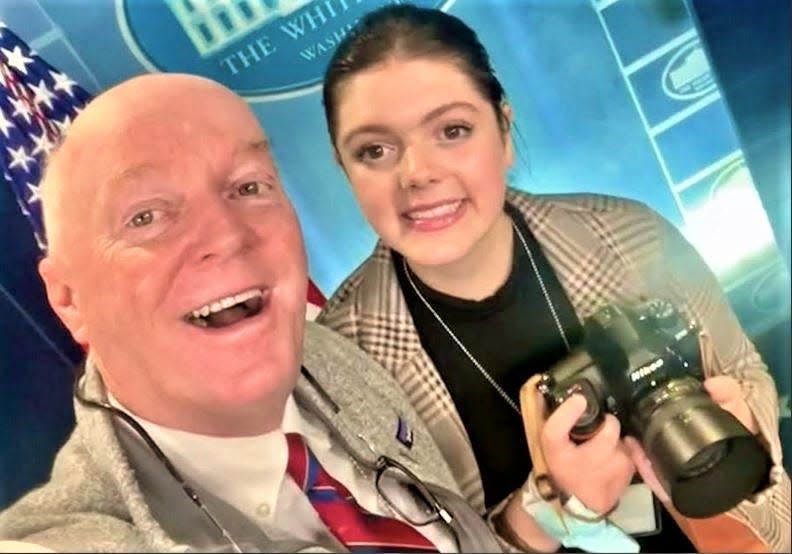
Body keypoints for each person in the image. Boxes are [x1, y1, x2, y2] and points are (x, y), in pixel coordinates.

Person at [316, 4, 791, 553]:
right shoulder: (342, 370)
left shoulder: (631, 238)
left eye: (453, 130)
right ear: (344, 169)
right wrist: (546, 511)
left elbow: (744, 373)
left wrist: (740, 430)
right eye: (374, 150)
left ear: (504, 129)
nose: (418, 173)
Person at [0, 73, 505, 553]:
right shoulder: (69, 536)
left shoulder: (332, 353)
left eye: (247, 187)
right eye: (146, 217)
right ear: (70, 299)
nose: (226, 233)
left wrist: (547, 508)